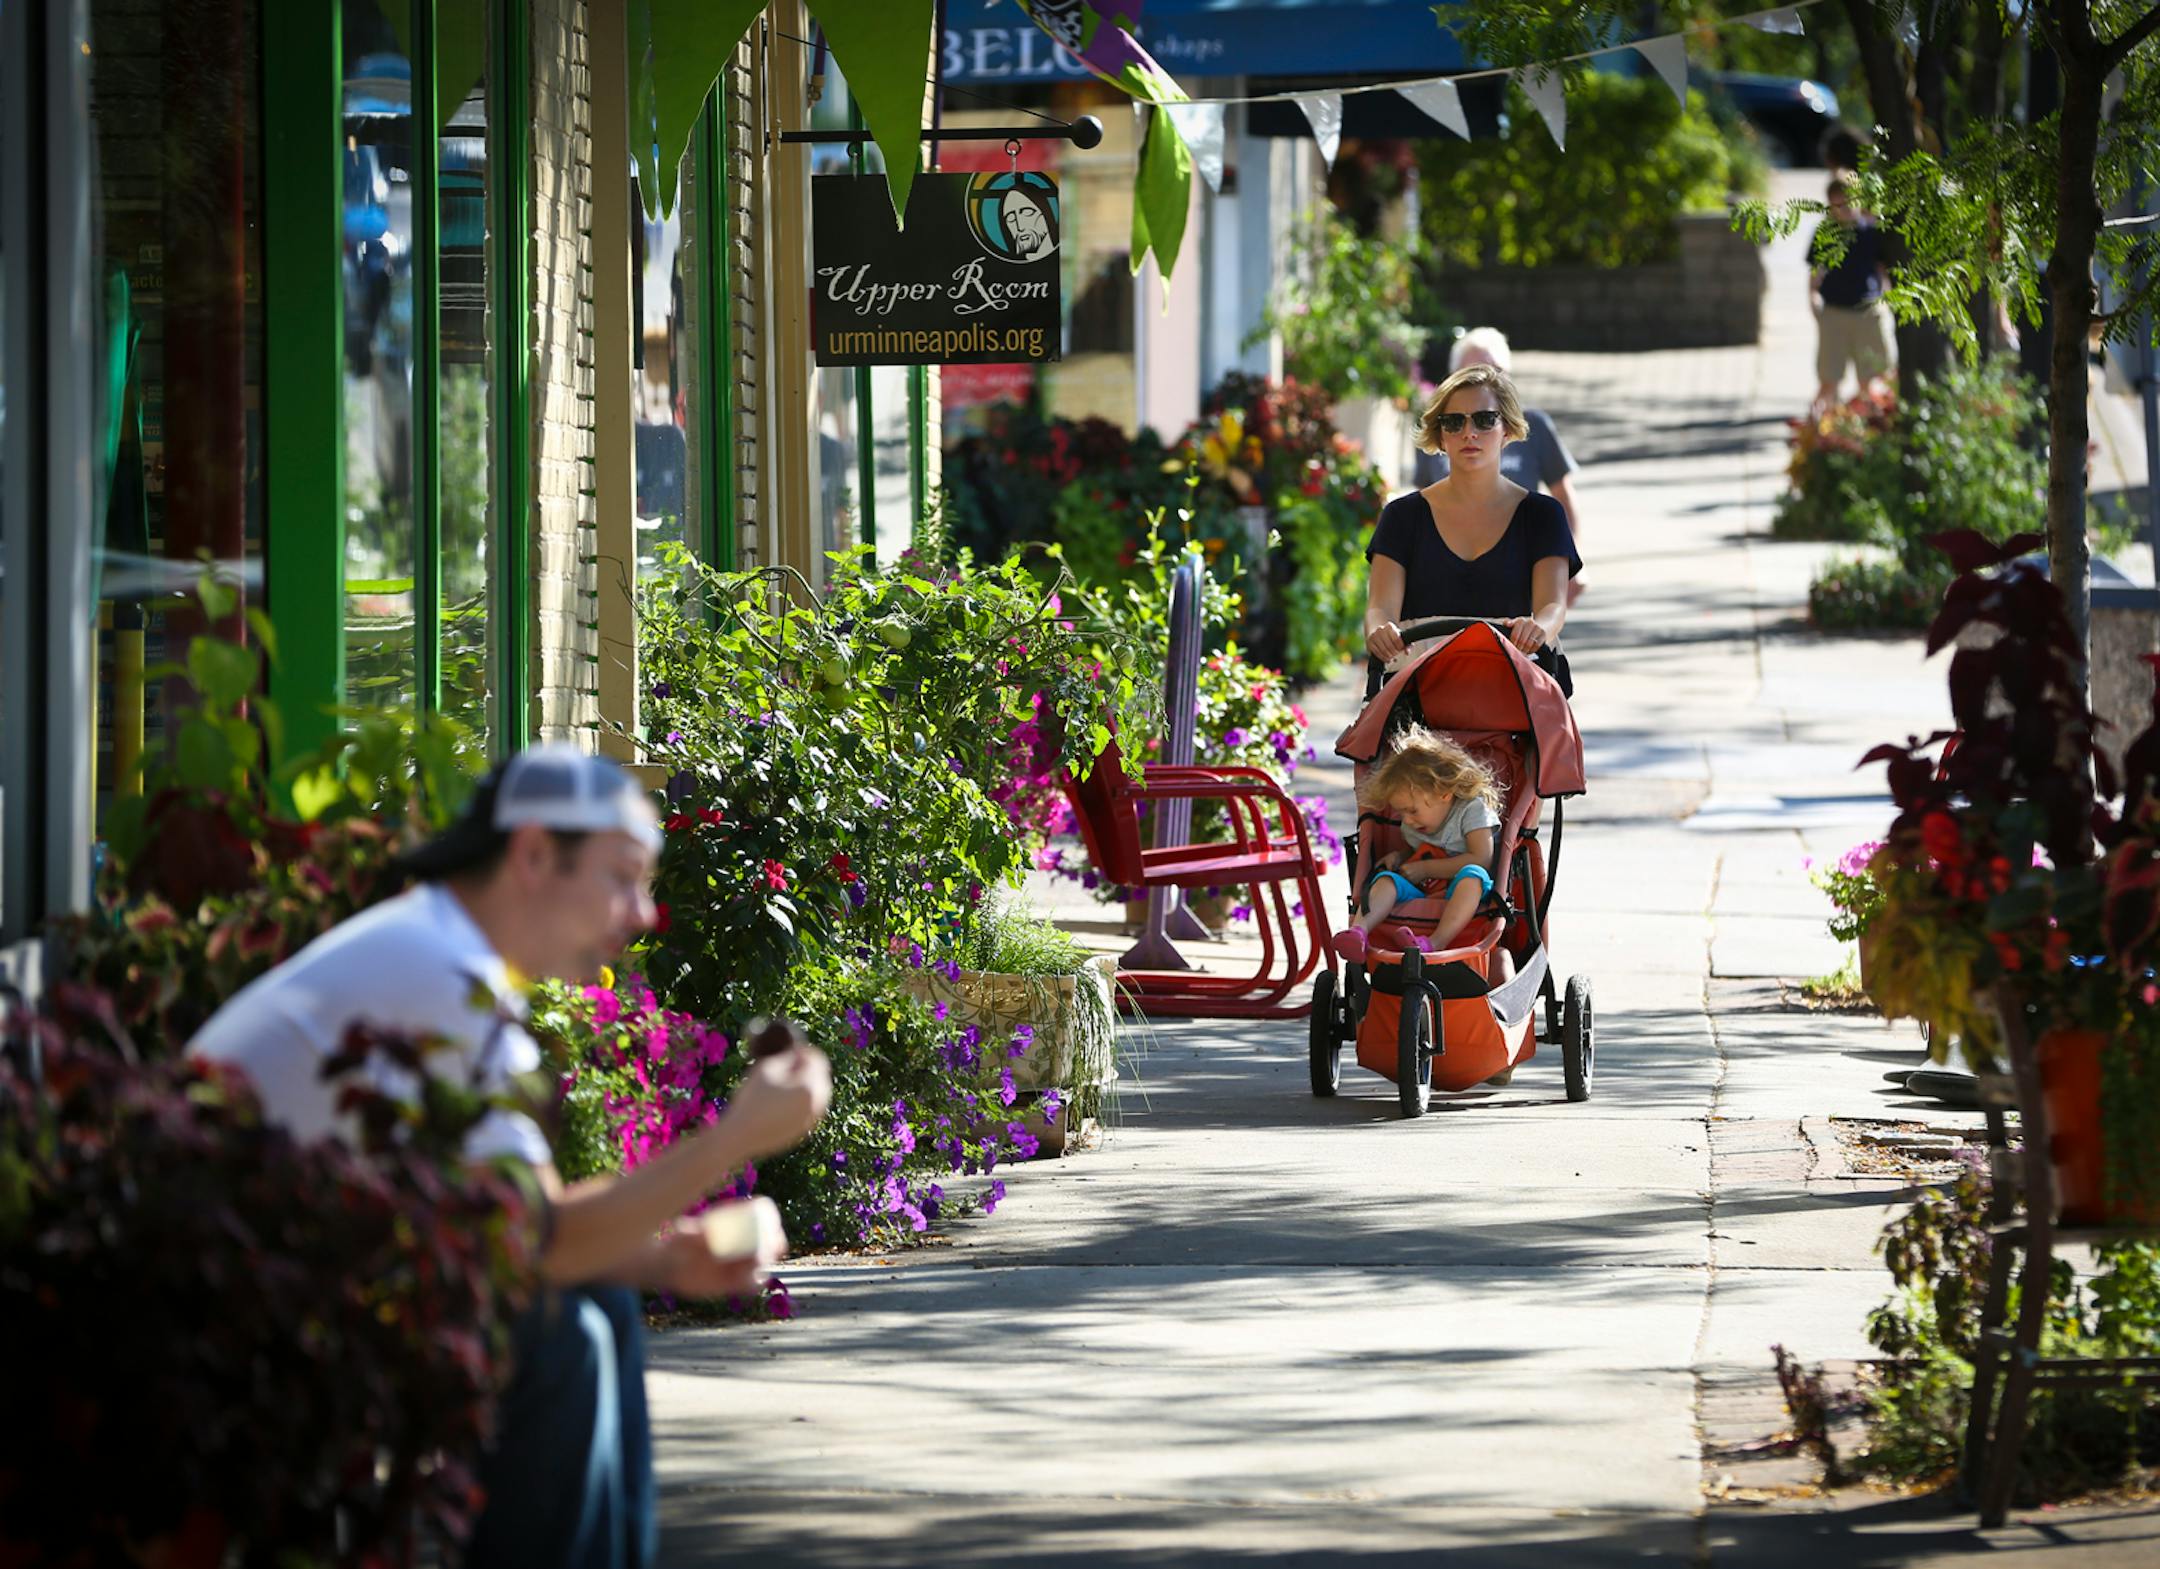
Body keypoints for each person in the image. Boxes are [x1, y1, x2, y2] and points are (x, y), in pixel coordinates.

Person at [190, 744, 834, 1569]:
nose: (643, 913)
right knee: (559, 1334)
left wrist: (669, 1258)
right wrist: (736, 1137)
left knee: (591, 1304)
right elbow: (543, 1242)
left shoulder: (449, 956)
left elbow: (515, 1225)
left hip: (278, 1295)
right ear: (532, 853)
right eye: (622, 876)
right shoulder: (439, 972)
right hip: (217, 1336)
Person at [1364, 363, 1581, 700]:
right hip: (1420, 695)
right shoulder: (1401, 516)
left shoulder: (1542, 515)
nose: (1469, 433)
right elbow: (1380, 608)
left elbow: (1552, 606)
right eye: (1454, 422)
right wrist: (1380, 630)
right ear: (1440, 435)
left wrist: (1538, 628)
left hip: (1514, 694)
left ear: (1507, 430)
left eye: (1485, 420)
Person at [1333, 725, 1501, 963]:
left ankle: (1435, 942)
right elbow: (1419, 851)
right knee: (1386, 880)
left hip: (1462, 892)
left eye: (1412, 811)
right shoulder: (1415, 824)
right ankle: (1359, 932)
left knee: (1474, 875)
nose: (1407, 820)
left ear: (1444, 793)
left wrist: (1426, 869)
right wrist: (1400, 857)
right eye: (1401, 813)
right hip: (1424, 889)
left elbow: (1482, 858)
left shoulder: (1472, 811)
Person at [1411, 327, 1585, 556]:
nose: (1469, 433)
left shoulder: (1535, 425)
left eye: (1496, 371)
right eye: (1473, 373)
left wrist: (1571, 558)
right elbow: (1422, 504)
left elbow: (1563, 495)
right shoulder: (1438, 427)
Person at [1810, 172, 1896, 419]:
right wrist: (1813, 298)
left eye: (1848, 203)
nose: (1844, 210)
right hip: (1834, 311)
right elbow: (1816, 271)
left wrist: (1890, 301)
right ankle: (1818, 428)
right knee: (1829, 380)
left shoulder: (1872, 232)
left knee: (1871, 379)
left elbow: (1882, 270)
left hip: (1868, 311)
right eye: (1838, 205)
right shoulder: (1826, 233)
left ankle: (1867, 424)